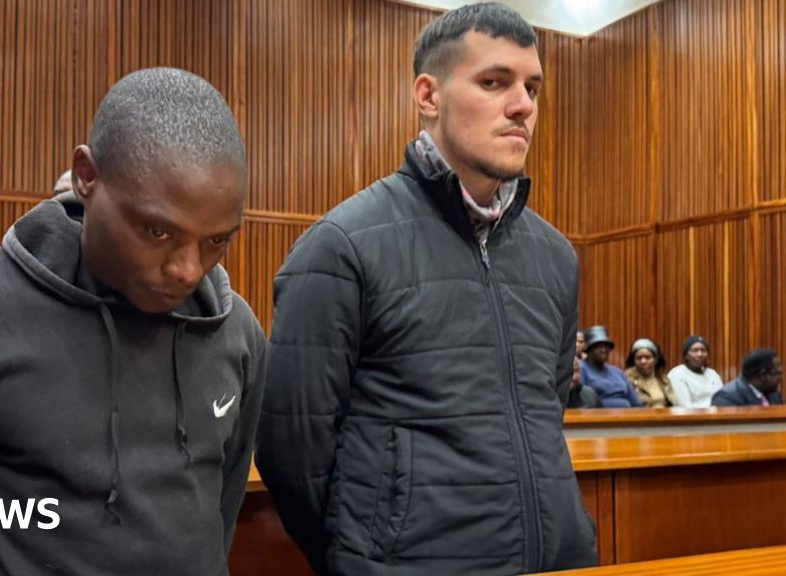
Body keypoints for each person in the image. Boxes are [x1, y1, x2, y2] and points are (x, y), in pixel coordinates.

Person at [0, 68, 266, 575]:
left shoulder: (236, 332)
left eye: (216, 241)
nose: (188, 270)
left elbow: (221, 509)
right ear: (87, 176)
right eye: (157, 231)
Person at [256, 4, 597, 575]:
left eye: (532, 88)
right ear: (428, 96)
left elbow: (545, 412)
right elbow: (292, 451)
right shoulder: (343, 246)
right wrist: (363, 555)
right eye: (494, 82)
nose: (523, 105)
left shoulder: (556, 256)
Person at [580, 326, 644, 408]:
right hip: (599, 414)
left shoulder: (617, 372)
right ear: (588, 349)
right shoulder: (581, 369)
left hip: (627, 413)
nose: (604, 350)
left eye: (606, 346)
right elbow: (584, 402)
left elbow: (635, 402)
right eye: (599, 346)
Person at [712, 349, 783, 407]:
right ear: (763, 374)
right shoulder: (727, 398)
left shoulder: (774, 395)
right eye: (779, 373)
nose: (781, 379)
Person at [668, 335, 724, 408]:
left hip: (717, 413)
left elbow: (722, 398)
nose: (699, 354)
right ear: (686, 355)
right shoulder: (677, 374)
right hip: (691, 415)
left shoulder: (712, 373)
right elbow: (685, 407)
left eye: (703, 350)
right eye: (695, 350)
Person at [624, 338, 676, 407]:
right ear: (633, 361)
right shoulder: (626, 379)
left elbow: (674, 404)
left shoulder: (663, 380)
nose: (643, 361)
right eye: (638, 358)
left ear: (655, 359)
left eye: (647, 357)